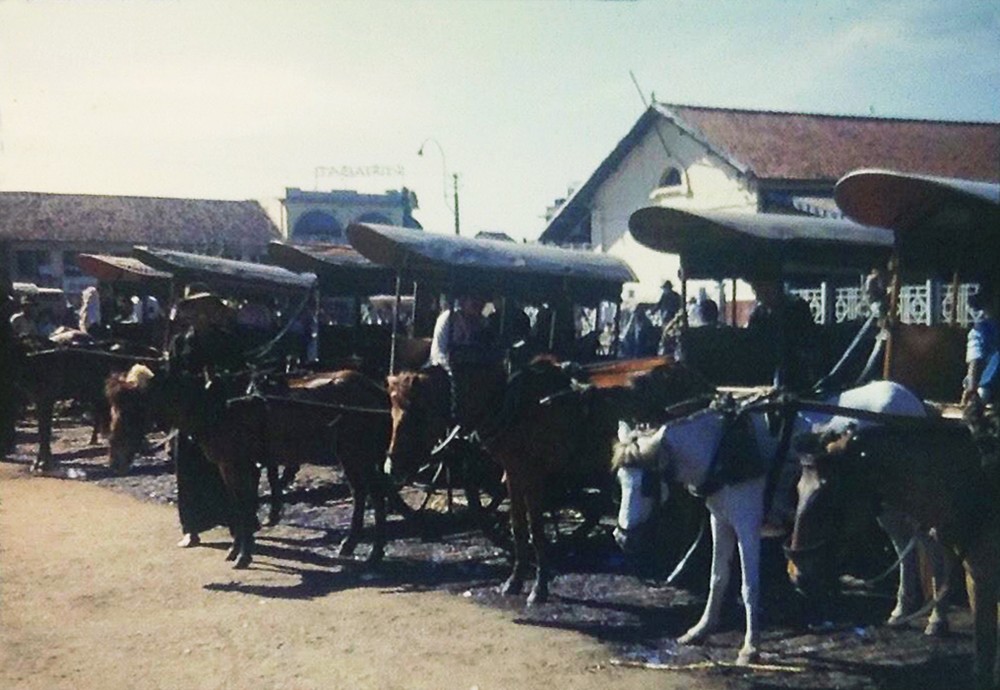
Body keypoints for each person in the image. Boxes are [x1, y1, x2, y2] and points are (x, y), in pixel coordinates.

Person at [168, 290, 242, 548]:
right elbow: (172, 378)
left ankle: (237, 523)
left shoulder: (226, 340)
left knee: (229, 470)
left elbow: (239, 372)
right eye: (194, 309)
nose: (200, 315)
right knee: (187, 470)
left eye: (205, 309)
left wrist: (220, 380)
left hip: (220, 412)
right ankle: (191, 528)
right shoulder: (180, 343)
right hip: (190, 414)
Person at [747, 279, 818, 390]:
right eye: (756, 290)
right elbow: (751, 346)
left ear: (774, 286)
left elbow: (808, 344)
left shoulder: (797, 307)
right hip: (764, 379)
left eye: (762, 289)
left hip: (795, 377)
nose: (758, 296)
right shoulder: (758, 314)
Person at [429, 293, 491, 370]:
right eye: (474, 300)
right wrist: (450, 372)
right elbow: (437, 354)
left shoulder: (485, 323)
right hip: (449, 371)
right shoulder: (448, 318)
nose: (478, 303)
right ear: (463, 301)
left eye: (481, 300)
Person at [962, 288, 998, 407]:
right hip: (988, 380)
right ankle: (982, 394)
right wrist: (972, 384)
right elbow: (975, 357)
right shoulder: (981, 329)